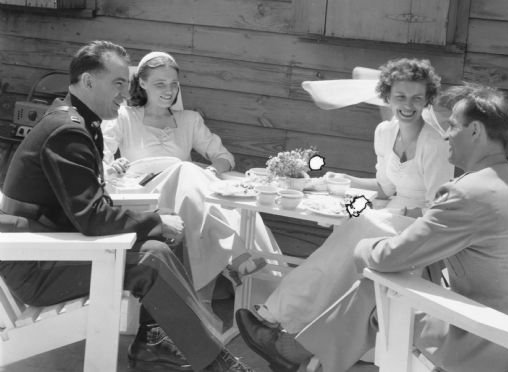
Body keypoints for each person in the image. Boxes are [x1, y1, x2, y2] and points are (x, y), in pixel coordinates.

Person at [244, 83, 508, 372]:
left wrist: (361, 248)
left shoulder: (469, 193)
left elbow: (388, 257)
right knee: (393, 280)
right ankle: (301, 354)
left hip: (489, 339)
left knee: (381, 281)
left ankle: (296, 353)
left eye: (451, 126)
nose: (446, 134)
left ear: (475, 131)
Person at [0, 41, 252, 372]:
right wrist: (157, 221)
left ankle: (155, 344)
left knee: (161, 244)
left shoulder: (79, 123)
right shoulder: (67, 131)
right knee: (151, 256)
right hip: (34, 266)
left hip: (47, 251)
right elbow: (92, 217)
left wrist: (157, 226)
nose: (124, 91)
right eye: (117, 83)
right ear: (89, 81)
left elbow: (89, 207)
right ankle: (216, 363)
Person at [235, 58, 455, 371]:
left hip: (417, 228)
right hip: (390, 214)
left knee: (356, 231)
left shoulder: (435, 144)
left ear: (427, 99)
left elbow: (437, 208)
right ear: (387, 96)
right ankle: (291, 329)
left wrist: (395, 212)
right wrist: (338, 179)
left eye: (417, 98)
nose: (408, 105)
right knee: (342, 240)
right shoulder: (385, 131)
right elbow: (384, 184)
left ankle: (276, 317)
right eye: (401, 97)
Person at [102, 51, 277, 291]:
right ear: (142, 83)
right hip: (147, 194)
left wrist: (214, 172)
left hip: (187, 194)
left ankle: (236, 262)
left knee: (191, 174)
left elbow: (224, 157)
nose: (169, 90)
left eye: (174, 84)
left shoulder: (190, 120)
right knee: (185, 168)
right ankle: (235, 253)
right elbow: (102, 154)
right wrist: (113, 166)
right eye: (160, 84)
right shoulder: (124, 116)